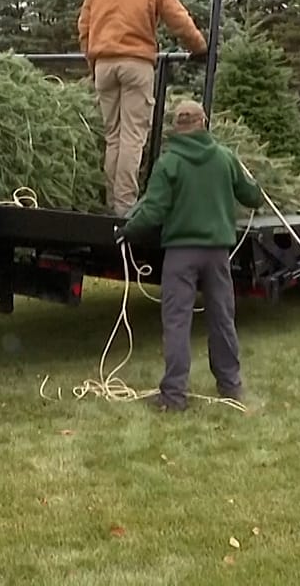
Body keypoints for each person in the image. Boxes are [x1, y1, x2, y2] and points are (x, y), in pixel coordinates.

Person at [119, 100, 263, 411]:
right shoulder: (225, 158)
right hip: (217, 255)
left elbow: (153, 211)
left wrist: (127, 231)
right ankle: (231, 385)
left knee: (177, 321)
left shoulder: (168, 164)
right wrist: (255, 185)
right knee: (222, 318)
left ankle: (174, 395)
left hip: (180, 255)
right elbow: (252, 197)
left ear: (177, 128)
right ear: (204, 122)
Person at [78, 0, 209, 216]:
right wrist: (199, 47)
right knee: (132, 137)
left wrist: (93, 62)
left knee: (113, 137)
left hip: (104, 65)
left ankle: (111, 203)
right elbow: (180, 21)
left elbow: (84, 26)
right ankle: (125, 207)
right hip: (136, 65)